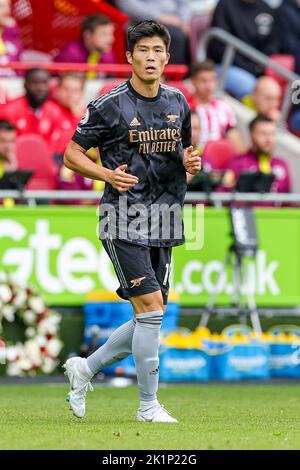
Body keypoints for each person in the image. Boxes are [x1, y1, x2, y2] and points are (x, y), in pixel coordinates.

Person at [63, 20, 201, 423]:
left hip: (166, 215)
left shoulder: (179, 102)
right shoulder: (110, 104)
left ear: (168, 57)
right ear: (129, 57)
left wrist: (191, 163)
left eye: (158, 50)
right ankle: (147, 407)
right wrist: (106, 174)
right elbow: (72, 154)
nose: (152, 57)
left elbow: (185, 157)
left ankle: (84, 370)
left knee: (149, 315)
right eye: (143, 50)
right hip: (123, 216)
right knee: (151, 309)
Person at [207, 0, 280, 99]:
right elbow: (218, 46)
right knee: (252, 89)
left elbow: (272, 46)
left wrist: (258, 67)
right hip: (226, 66)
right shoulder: (225, 4)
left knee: (273, 91)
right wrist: (249, 68)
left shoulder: (266, 9)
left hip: (258, 70)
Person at [221, 115, 290, 193]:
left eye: (272, 134)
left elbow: (289, 202)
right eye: (263, 133)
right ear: (251, 135)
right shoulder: (236, 163)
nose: (268, 139)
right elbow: (222, 197)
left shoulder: (281, 164)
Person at [0, 68, 63, 153]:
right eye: (35, 83)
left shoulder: (54, 111)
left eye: (44, 83)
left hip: (46, 160)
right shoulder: (10, 111)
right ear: (25, 85)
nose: (41, 88)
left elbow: (57, 144)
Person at [190, 60, 246, 153]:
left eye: (212, 80)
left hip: (219, 157)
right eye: (203, 81)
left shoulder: (223, 106)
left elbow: (233, 135)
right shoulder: (184, 107)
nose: (209, 86)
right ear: (193, 81)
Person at [116, 0, 191, 64]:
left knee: (190, 34)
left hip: (176, 21)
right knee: (174, 35)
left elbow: (183, 4)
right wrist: (159, 17)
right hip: (141, 21)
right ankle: (168, 76)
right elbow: (127, 4)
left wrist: (183, 21)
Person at [52, 72, 86, 163]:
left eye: (75, 90)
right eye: (66, 89)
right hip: (53, 159)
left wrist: (77, 117)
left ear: (81, 93)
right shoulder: (49, 110)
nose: (70, 94)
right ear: (58, 90)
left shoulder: (88, 115)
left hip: (77, 161)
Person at [0, 0, 23, 76]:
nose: (7, 10)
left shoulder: (13, 37)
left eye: (8, 6)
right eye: (1, 6)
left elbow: (19, 67)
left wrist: (10, 29)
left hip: (11, 83)